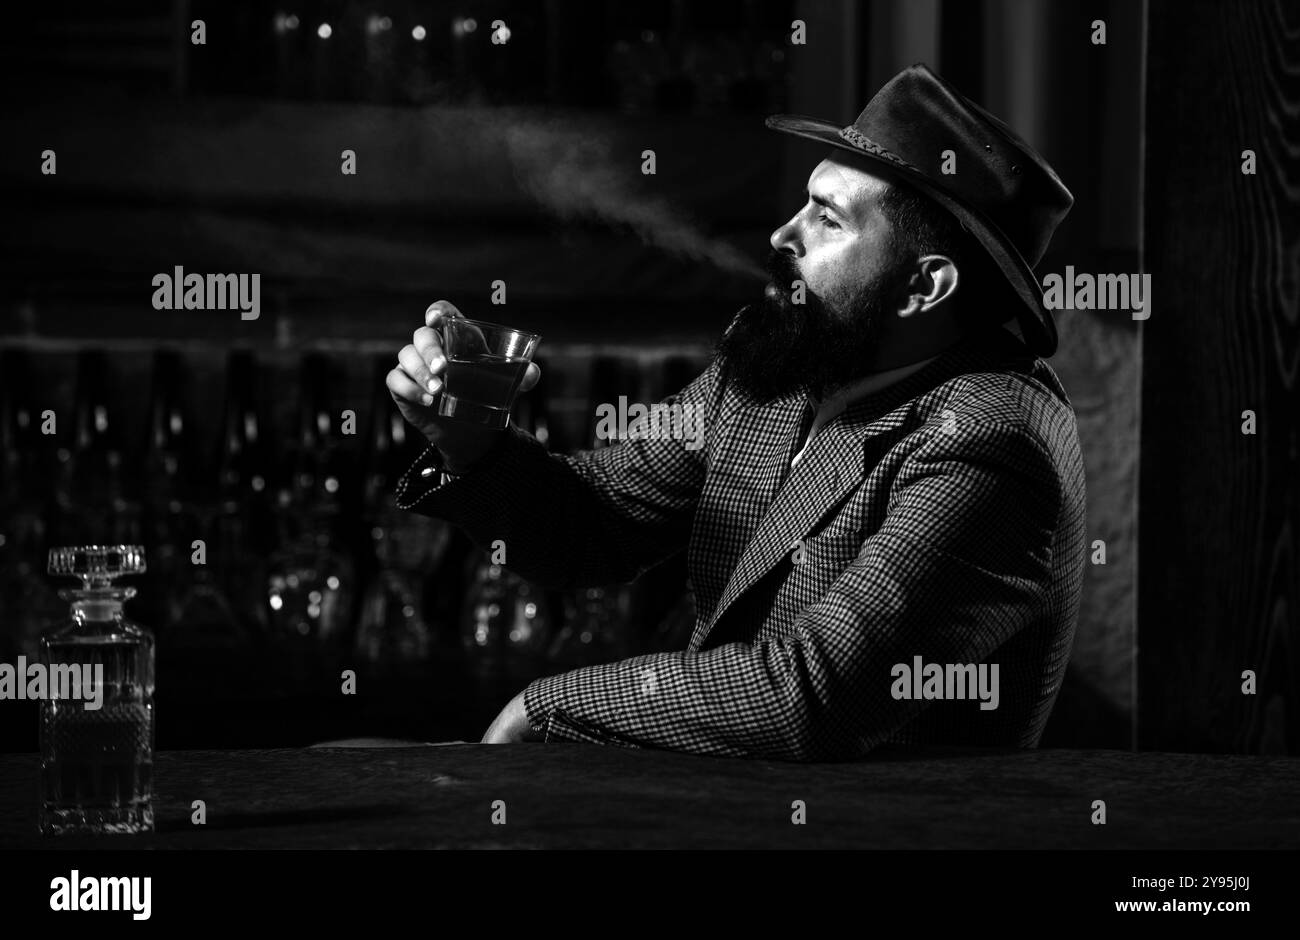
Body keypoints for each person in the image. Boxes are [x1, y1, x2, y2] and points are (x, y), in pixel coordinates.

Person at [386, 63, 1087, 761]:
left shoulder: (992, 440)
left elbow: (819, 693)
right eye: (802, 203)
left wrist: (547, 707)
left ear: (924, 285)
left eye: (828, 217)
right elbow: (590, 525)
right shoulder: (776, 374)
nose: (785, 234)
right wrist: (473, 443)